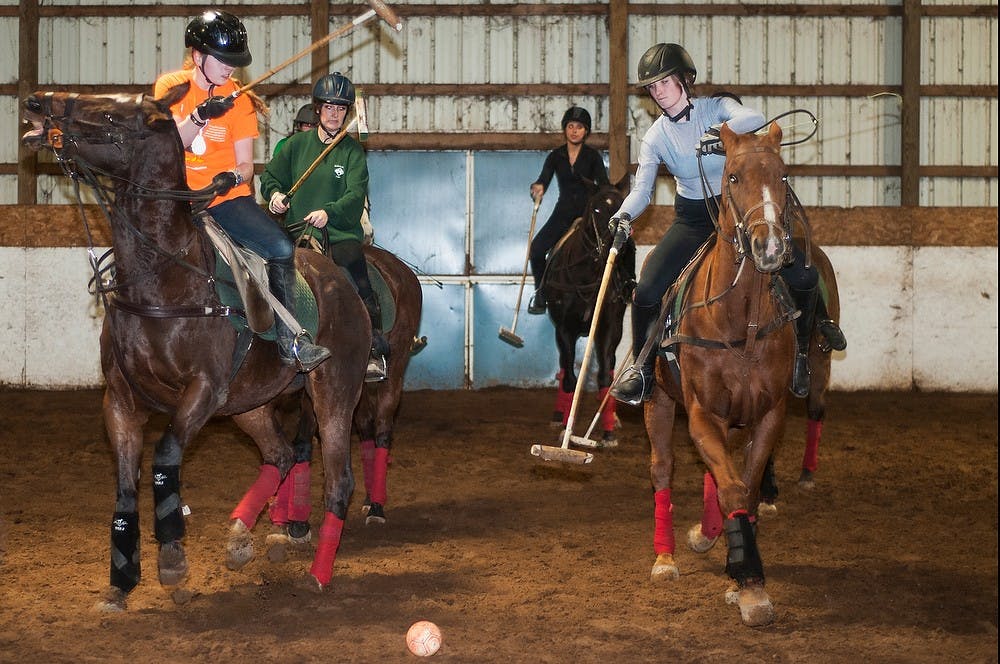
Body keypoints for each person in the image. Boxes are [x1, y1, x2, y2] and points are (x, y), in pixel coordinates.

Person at [608, 43, 846, 405]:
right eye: (652, 87)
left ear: (685, 80)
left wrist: (720, 132)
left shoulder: (715, 108)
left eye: (665, 83)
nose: (659, 92)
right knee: (647, 291)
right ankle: (641, 371)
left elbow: (755, 116)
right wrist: (623, 215)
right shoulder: (655, 137)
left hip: (738, 214)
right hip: (693, 218)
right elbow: (642, 191)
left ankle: (800, 356)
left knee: (803, 274)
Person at [153, 9, 332, 372]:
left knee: (281, 248)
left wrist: (231, 179)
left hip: (225, 201)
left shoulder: (240, 99)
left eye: (235, 62)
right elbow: (168, 147)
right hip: (177, 200)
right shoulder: (170, 87)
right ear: (198, 56)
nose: (231, 68)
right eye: (224, 60)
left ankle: (289, 341)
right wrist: (201, 115)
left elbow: (247, 165)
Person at [260, 72, 387, 383]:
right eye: (329, 107)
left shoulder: (352, 151)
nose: (334, 114)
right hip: (294, 232)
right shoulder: (294, 145)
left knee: (355, 267)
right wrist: (274, 195)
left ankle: (374, 348)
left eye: (341, 109)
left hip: (338, 233)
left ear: (347, 113)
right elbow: (270, 178)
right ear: (317, 109)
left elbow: (355, 195)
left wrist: (329, 213)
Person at [527, 106, 610, 314]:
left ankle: (610, 295)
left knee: (608, 250)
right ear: (565, 129)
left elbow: (605, 186)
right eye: (570, 126)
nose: (574, 131)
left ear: (586, 131)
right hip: (562, 214)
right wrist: (537, 187)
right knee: (536, 250)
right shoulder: (556, 156)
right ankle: (541, 293)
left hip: (587, 216)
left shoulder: (593, 157)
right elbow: (542, 180)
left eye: (579, 127)